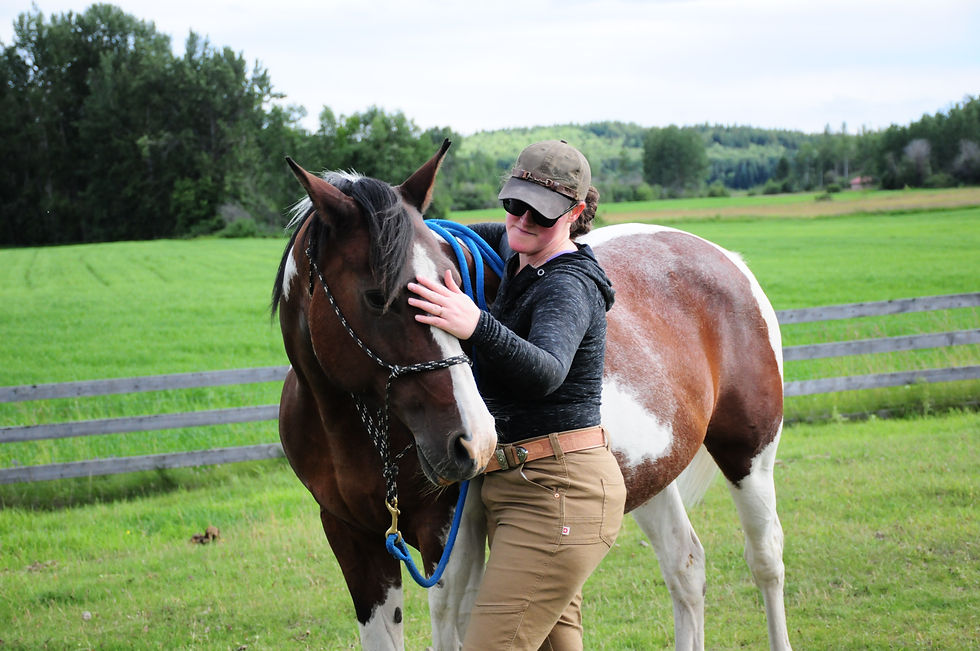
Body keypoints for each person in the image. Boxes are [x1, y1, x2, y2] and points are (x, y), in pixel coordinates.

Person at [407, 140, 626, 650]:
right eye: (514, 204)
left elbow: (547, 370)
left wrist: (475, 323)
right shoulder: (522, 252)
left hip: (558, 495)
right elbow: (446, 236)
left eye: (541, 213)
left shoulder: (567, 284)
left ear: (575, 213)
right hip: (522, 490)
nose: (522, 220)